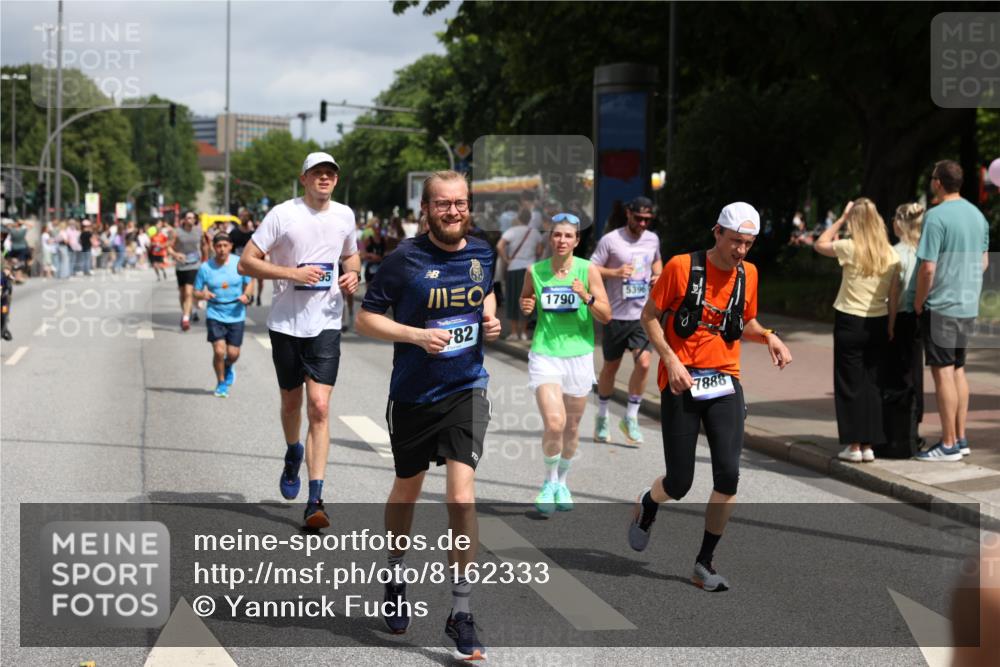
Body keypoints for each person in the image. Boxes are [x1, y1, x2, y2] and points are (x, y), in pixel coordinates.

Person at [355, 170, 500, 661]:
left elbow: (487, 291)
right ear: (426, 208)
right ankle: (395, 573)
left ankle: (460, 611)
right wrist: (415, 336)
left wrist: (490, 315)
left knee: (461, 498)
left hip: (466, 387)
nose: (453, 211)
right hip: (415, 395)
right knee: (407, 490)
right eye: (443, 204)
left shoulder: (483, 251)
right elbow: (365, 318)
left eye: (460, 203)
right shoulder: (404, 260)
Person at [628, 202, 792, 592]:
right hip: (681, 381)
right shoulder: (682, 268)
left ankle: (703, 562)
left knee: (729, 476)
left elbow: (744, 321)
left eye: (748, 244)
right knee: (680, 483)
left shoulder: (748, 274)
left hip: (723, 381)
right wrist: (671, 359)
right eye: (735, 241)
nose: (741, 251)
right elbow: (648, 316)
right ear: (716, 232)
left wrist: (768, 335)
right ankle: (649, 503)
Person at [238, 152, 361, 528]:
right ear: (304, 178)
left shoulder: (345, 215)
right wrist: (292, 272)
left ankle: (316, 499)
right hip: (286, 323)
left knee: (320, 408)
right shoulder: (282, 214)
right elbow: (246, 261)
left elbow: (351, 258)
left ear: (336, 181)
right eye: (317, 173)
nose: (324, 179)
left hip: (326, 322)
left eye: (330, 174)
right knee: (292, 403)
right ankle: (293, 451)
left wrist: (352, 275)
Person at [520, 212, 611, 516]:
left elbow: (606, 315)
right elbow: (525, 301)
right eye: (556, 235)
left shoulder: (589, 271)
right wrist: (526, 305)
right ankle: (547, 483)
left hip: (580, 355)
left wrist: (586, 296)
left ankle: (562, 481)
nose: (561, 241)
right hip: (545, 353)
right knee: (555, 423)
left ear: (577, 240)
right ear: (550, 238)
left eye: (568, 236)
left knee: (572, 427)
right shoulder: (535, 271)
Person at [914, 160, 990, 461]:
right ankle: (960, 437)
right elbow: (983, 262)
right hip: (967, 305)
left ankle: (946, 444)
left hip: (942, 305)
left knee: (943, 373)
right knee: (958, 369)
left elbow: (927, 269)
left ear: (938, 183)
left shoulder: (935, 217)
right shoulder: (978, 216)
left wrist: (920, 301)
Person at [814, 198, 900, 463]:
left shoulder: (849, 247)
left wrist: (840, 218)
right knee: (872, 384)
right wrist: (891, 324)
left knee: (849, 383)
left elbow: (819, 244)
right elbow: (894, 295)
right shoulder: (891, 253)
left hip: (850, 320)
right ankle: (869, 444)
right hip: (878, 321)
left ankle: (853, 446)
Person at [590, 196, 662, 445]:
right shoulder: (611, 240)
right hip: (615, 315)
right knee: (611, 367)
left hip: (641, 315)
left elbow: (656, 261)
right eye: (639, 218)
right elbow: (591, 268)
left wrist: (658, 275)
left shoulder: (652, 239)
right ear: (629, 214)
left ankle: (631, 416)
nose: (643, 223)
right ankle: (601, 415)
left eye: (647, 219)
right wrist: (615, 272)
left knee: (643, 363)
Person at [885, 202, 925, 457]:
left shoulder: (895, 253)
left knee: (897, 375)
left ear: (899, 223)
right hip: (919, 317)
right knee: (916, 374)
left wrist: (888, 326)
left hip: (899, 317)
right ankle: (913, 431)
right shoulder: (923, 251)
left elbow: (893, 292)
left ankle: (897, 435)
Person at [193, 232, 253, 397]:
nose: (222, 249)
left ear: (231, 246)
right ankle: (221, 383)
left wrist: (246, 296)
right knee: (219, 351)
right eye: (218, 246)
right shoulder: (206, 268)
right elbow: (195, 291)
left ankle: (227, 366)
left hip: (236, 314)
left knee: (233, 354)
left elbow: (249, 283)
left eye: (225, 246)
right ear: (214, 247)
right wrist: (203, 295)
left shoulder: (239, 263)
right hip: (215, 313)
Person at [497, 208, 542, 340]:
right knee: (527, 299)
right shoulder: (535, 232)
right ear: (529, 219)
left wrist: (506, 259)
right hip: (530, 269)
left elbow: (500, 246)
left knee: (513, 299)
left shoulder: (511, 231)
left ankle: (513, 332)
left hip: (514, 268)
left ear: (518, 218)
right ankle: (523, 332)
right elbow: (539, 251)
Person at [170, 211, 205, 331]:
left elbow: (204, 246)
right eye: (187, 218)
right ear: (184, 220)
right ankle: (185, 312)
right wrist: (176, 254)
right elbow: (169, 247)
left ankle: (185, 318)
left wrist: (205, 261)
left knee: (189, 292)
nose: (189, 219)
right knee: (182, 293)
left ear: (195, 220)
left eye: (192, 218)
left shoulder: (199, 231)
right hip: (181, 266)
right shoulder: (177, 232)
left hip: (194, 264)